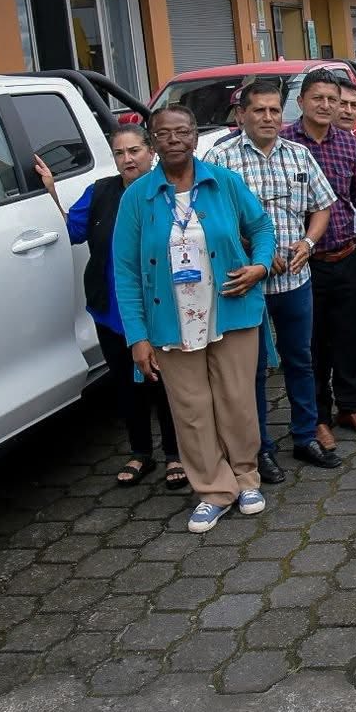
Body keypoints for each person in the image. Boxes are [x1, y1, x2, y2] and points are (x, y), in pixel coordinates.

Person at [112, 106, 274, 533]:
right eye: (163, 133)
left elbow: (262, 227)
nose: (174, 140)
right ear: (152, 142)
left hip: (230, 310)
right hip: (170, 320)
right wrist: (137, 337)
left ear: (195, 137)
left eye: (182, 131)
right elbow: (125, 271)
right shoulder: (136, 197)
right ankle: (213, 490)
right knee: (191, 408)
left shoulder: (224, 182)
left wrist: (260, 266)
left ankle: (245, 477)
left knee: (237, 401)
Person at [36, 127, 181, 489]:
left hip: (162, 308)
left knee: (166, 384)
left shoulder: (169, 191)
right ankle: (141, 452)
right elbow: (72, 231)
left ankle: (176, 454)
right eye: (119, 153)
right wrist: (50, 190)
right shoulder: (100, 192)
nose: (127, 159)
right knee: (126, 384)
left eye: (135, 151)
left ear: (151, 152)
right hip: (112, 310)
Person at [211, 81, 343, 475]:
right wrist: (260, 252)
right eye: (259, 110)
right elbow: (213, 218)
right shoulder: (221, 159)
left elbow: (322, 207)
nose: (268, 118)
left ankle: (304, 436)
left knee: (300, 360)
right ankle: (259, 448)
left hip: (294, 282)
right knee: (252, 369)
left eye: (274, 110)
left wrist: (308, 242)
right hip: (245, 283)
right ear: (241, 115)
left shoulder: (299, 154)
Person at [285, 72, 356, 435]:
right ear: (301, 102)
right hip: (304, 264)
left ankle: (350, 407)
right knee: (312, 343)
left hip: (347, 256)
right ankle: (318, 416)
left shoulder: (348, 143)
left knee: (350, 336)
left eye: (332, 99)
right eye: (318, 98)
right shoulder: (285, 144)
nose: (326, 105)